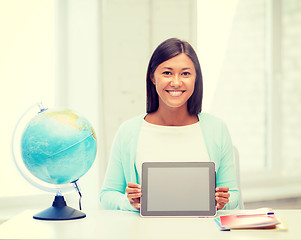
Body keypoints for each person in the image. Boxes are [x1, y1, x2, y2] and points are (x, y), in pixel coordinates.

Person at [99, 38, 240, 212]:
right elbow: (107, 194)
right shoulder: (128, 131)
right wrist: (130, 203)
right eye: (167, 73)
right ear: (152, 77)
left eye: (185, 74)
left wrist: (222, 202)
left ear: (196, 79)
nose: (176, 82)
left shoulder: (217, 129)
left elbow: (233, 194)